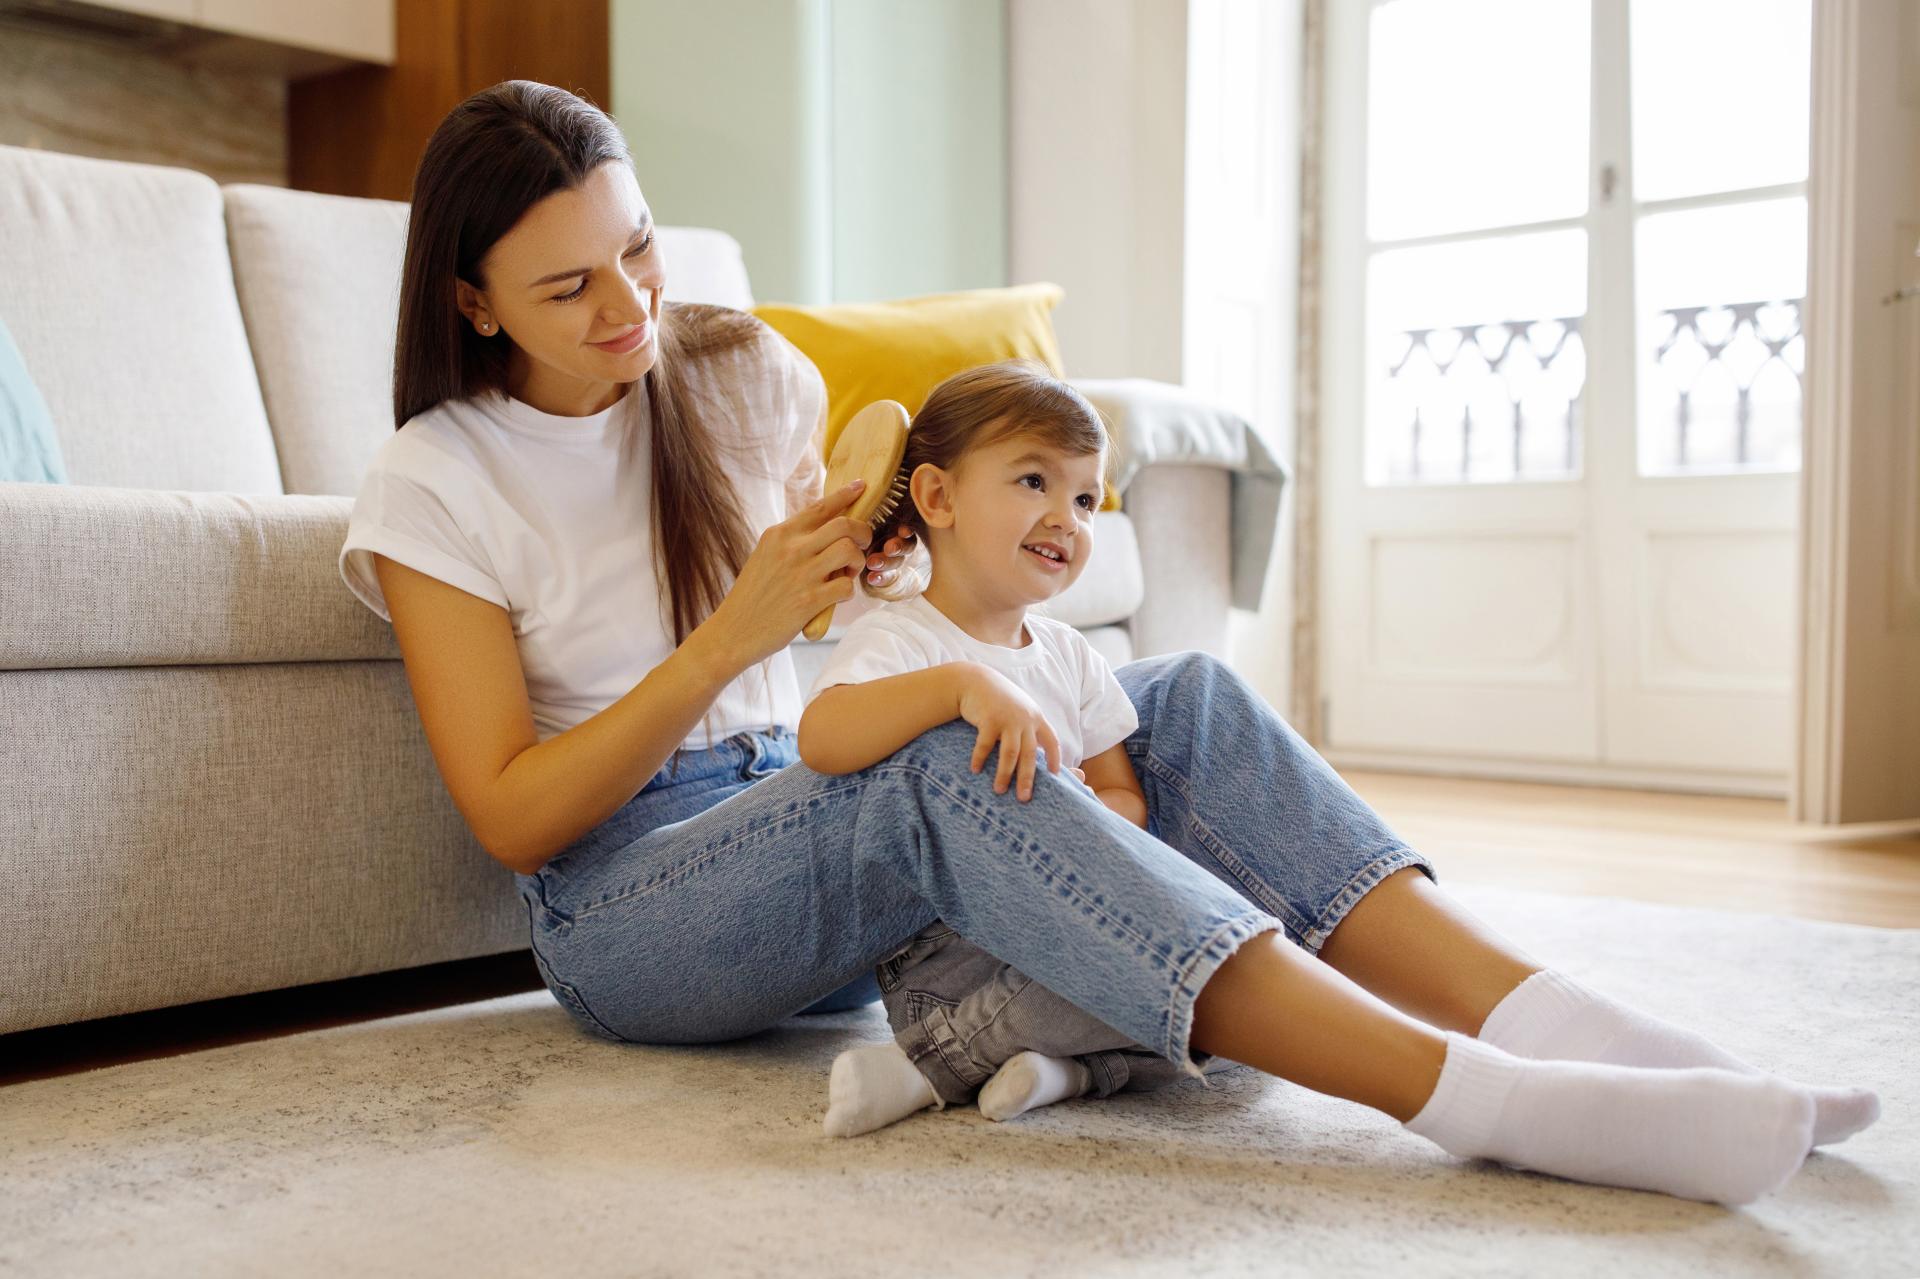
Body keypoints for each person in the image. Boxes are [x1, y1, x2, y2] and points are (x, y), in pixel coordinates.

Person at [337, 80, 1880, 1208]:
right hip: (630, 910)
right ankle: (1487, 1100)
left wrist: (876, 568)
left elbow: (848, 600)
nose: (630, 303)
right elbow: (514, 816)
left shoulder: (736, 379)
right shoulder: (435, 480)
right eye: (570, 285)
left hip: (800, 813)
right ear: (475, 301)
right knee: (944, 754)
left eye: (640, 250)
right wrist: (724, 639)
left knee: (1183, 700)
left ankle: (1584, 1029)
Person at [801, 362, 1240, 1136]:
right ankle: (935, 1059)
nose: (1067, 518)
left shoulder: (1070, 655)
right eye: (1035, 481)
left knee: (1229, 982)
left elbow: (1121, 791)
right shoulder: (901, 640)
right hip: (950, 959)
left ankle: (1070, 1071)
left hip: (1068, 919)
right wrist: (958, 686)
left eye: (1085, 499)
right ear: (938, 498)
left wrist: (1090, 823)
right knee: (1177, 979)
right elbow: (822, 737)